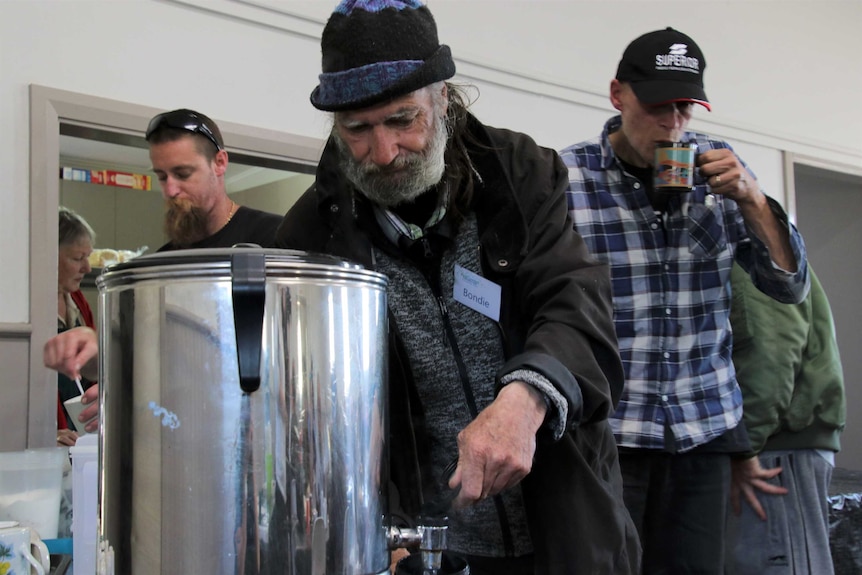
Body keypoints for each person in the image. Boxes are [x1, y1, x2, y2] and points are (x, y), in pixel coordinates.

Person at [274, 1, 640, 573]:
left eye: (402, 120)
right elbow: (304, 403)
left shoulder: (520, 173)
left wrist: (525, 399)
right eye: (358, 130)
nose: (384, 152)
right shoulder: (311, 233)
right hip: (419, 547)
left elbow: (576, 302)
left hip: (564, 524)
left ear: (442, 98)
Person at [558, 27, 809, 574]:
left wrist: (754, 201)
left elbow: (789, 286)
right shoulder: (567, 177)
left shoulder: (723, 168)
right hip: (608, 434)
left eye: (685, 108)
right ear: (617, 94)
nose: (673, 123)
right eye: (657, 106)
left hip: (702, 431)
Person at [727, 262, 844, 575]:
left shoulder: (750, 257)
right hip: (771, 444)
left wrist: (744, 448)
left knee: (777, 565)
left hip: (775, 448)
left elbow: (770, 359)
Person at [144, 108, 283, 250]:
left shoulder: (274, 238)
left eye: (183, 174)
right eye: (162, 177)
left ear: (220, 163)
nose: (170, 191)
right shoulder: (166, 257)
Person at [53, 207, 100, 446]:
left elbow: (93, 370)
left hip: (81, 433)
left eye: (87, 257)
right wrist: (48, 435)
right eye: (77, 258)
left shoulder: (78, 300)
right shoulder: (27, 308)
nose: (88, 268)